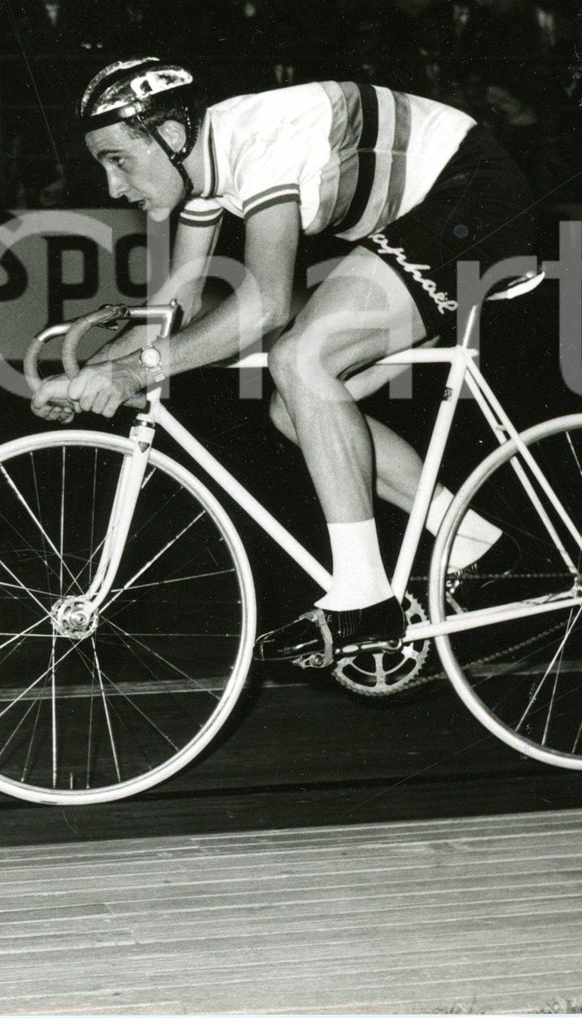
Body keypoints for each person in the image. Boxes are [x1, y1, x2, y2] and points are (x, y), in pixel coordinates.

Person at [31, 60, 534, 665]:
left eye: (118, 158)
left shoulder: (256, 139)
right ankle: (477, 547)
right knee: (296, 406)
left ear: (168, 136)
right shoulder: (205, 170)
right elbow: (175, 306)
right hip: (434, 213)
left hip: (473, 193)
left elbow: (266, 302)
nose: (113, 187)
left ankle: (365, 600)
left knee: (301, 356)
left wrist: (136, 371)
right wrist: (90, 371)